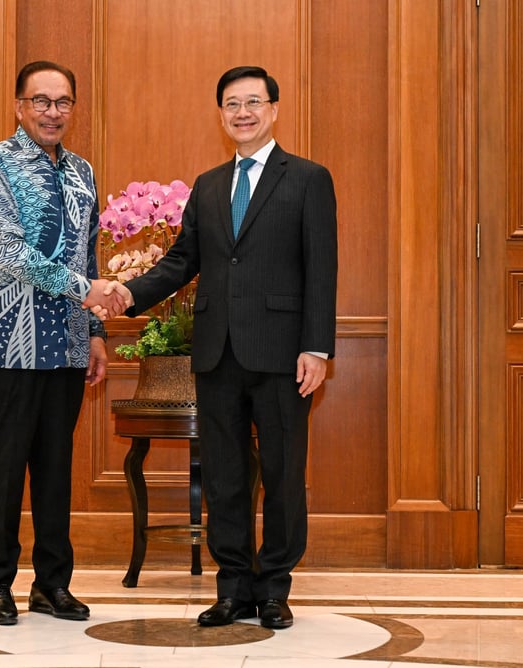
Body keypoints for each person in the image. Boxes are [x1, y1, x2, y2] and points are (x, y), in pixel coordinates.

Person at [101, 66, 337, 629]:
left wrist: (317, 348)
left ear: (275, 109)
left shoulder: (308, 178)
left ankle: (275, 588)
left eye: (253, 102)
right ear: (221, 114)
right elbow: (184, 262)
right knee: (226, 476)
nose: (243, 113)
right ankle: (232, 586)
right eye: (232, 104)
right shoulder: (208, 185)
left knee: (281, 473)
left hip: (284, 354)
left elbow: (321, 268)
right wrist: (127, 293)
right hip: (216, 353)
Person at [0, 60, 124, 626]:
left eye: (62, 102)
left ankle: (52, 584)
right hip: (9, 342)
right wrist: (89, 289)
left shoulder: (83, 171)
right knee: (6, 467)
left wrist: (98, 334)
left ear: (72, 109)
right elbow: (8, 253)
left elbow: (87, 254)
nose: (52, 112)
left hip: (67, 345)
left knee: (57, 470)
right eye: (41, 101)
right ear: (19, 106)